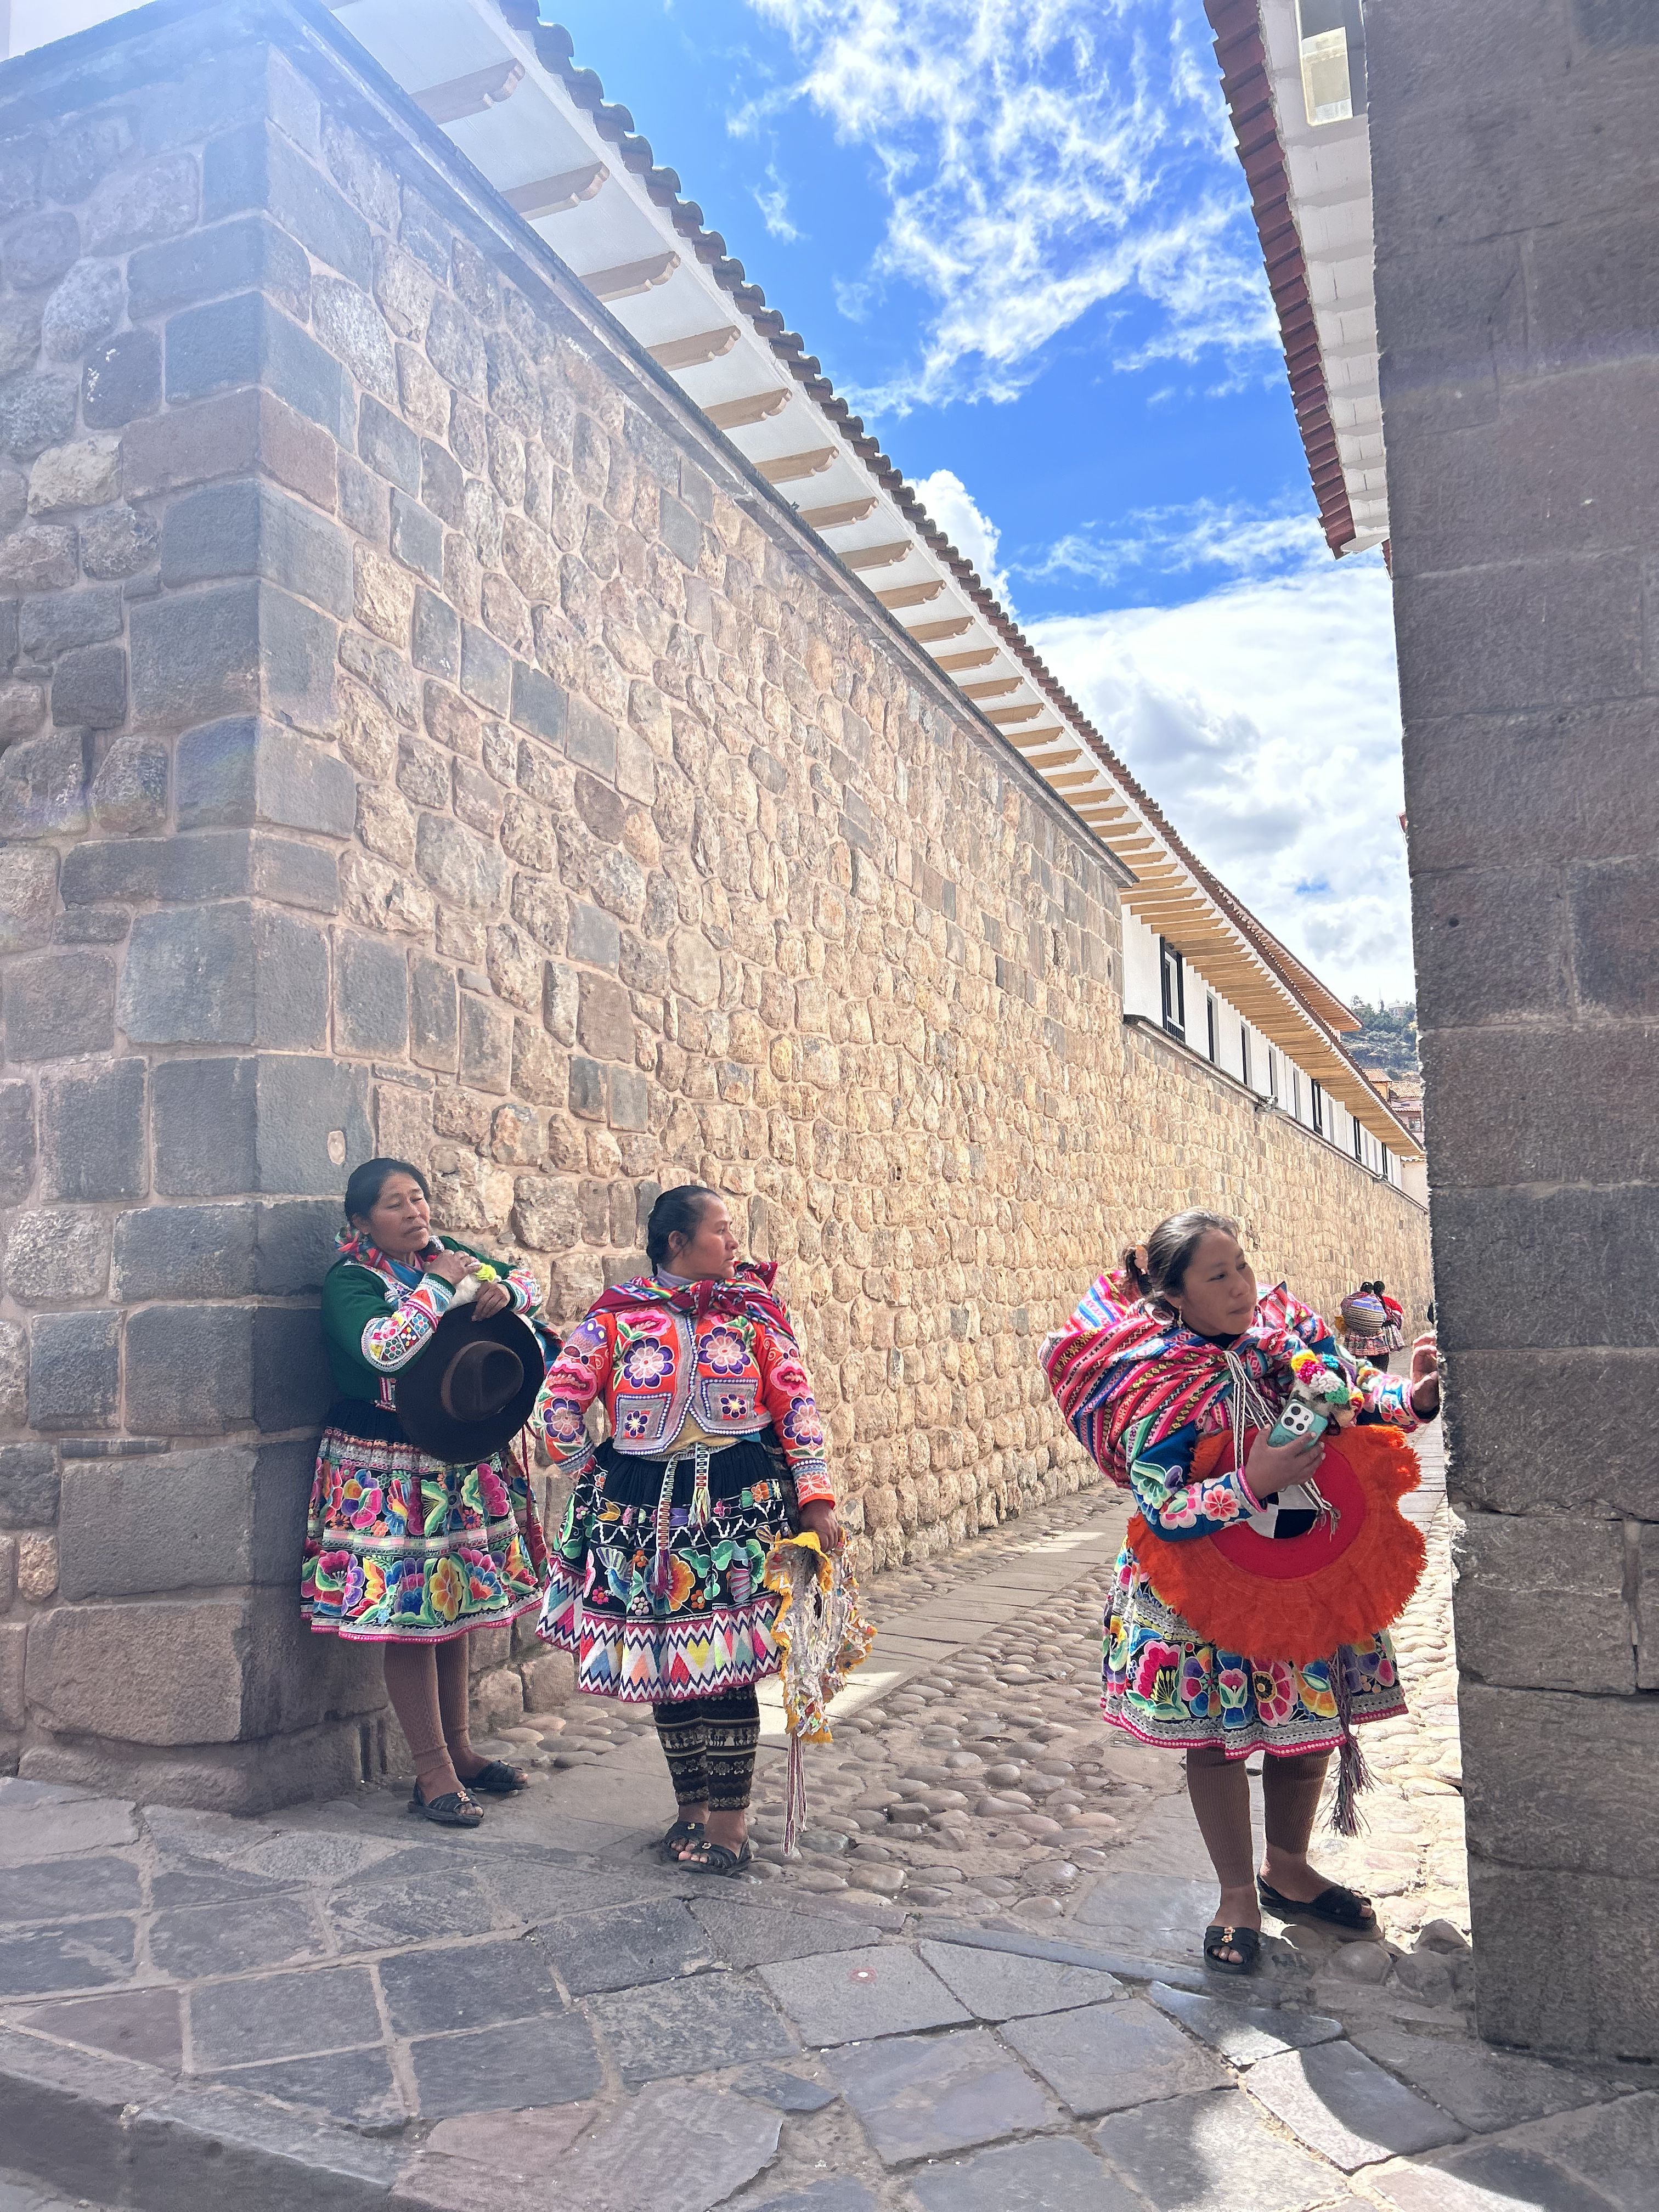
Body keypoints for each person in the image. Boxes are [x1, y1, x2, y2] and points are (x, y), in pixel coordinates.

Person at [1042, 1211, 1441, 1975]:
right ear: (1174, 1296)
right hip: (1204, 1594)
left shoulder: (1282, 1349)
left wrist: (1414, 1399)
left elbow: (1356, 1392)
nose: (1240, 1286)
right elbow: (1162, 1505)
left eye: (1243, 1266)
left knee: (1311, 1718)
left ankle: (1287, 1866)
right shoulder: (1156, 1378)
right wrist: (1250, 1484)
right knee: (1217, 1741)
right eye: (1217, 1275)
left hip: (1300, 1576)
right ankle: (1235, 1895)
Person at [533, 1185, 840, 1875]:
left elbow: (797, 1405)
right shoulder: (618, 1319)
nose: (734, 1244)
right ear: (678, 1242)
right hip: (643, 1514)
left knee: (724, 1668)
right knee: (669, 1666)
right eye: (722, 1231)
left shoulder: (755, 1316)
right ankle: (689, 1812)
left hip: (739, 1509)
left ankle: (730, 1827)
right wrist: (596, 1470)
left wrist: (815, 1495)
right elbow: (559, 1399)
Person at [302, 1158, 548, 1826]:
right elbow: (385, 1349)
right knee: (412, 1615)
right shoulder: (350, 1282)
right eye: (394, 1205)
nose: (415, 1213)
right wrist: (442, 1289)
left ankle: (461, 1751)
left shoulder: (449, 1254)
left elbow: (527, 1283)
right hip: (385, 1461)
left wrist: (506, 1296)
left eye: (418, 1199)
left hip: (454, 1451)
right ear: (361, 1222)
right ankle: (431, 1769)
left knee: (453, 1601)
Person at [1340, 1282, 1393, 1370]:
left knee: (1355, 1362)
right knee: (1381, 1361)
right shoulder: (1375, 1300)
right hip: (1374, 1336)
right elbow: (1384, 1317)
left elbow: (1345, 1313)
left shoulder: (1351, 1300)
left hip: (1355, 1336)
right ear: (1371, 1291)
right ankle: (1379, 1376)